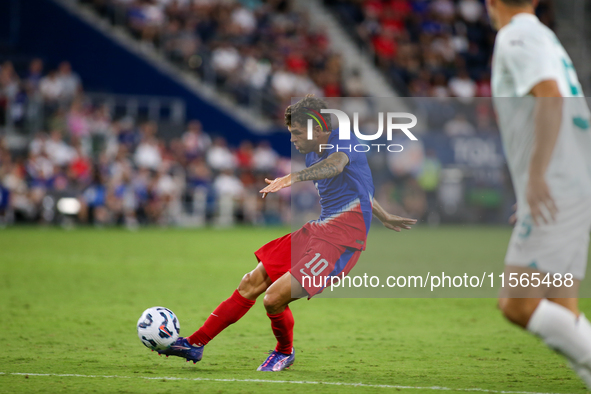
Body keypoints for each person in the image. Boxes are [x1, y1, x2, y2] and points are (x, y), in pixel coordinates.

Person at [158, 95, 417, 371]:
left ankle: (284, 352)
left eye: (296, 133)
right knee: (250, 282)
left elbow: (337, 165)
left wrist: (292, 178)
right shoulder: (310, 152)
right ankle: (194, 344)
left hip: (340, 244)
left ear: (316, 129)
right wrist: (384, 214)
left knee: (273, 298)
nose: (292, 139)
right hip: (318, 230)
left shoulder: (344, 140)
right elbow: (359, 186)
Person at [487, 0, 591, 386]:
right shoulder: (543, 35)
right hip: (573, 181)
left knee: (518, 304)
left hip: (561, 184)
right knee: (561, 307)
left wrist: (537, 176)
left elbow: (550, 95)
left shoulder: (517, 35)